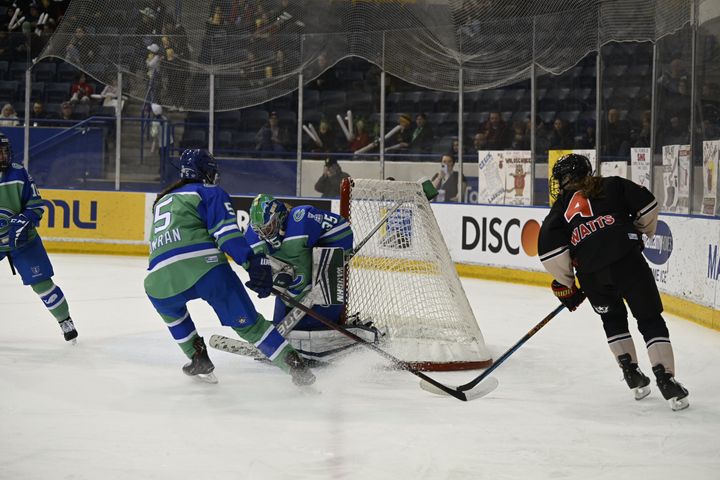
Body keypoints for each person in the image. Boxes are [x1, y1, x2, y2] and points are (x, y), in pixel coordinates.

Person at [143, 149, 315, 386]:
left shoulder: (161, 200)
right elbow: (226, 234)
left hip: (159, 280)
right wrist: (251, 261)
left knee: (172, 311)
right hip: (207, 269)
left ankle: (197, 356)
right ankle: (296, 367)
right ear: (206, 171)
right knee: (251, 326)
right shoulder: (208, 192)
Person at [538, 153, 689, 411]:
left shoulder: (560, 208)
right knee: (650, 318)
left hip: (592, 274)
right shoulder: (611, 185)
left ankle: (632, 373)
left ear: (562, 181)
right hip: (626, 261)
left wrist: (569, 283)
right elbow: (649, 206)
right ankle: (667, 380)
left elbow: (550, 252)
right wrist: (640, 231)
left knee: (612, 319)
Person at [245, 193, 380, 362]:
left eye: (269, 227)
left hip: (316, 272)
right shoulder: (252, 238)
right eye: (260, 231)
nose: (265, 234)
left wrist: (331, 260)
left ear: (279, 216)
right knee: (285, 316)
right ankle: (291, 338)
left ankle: (336, 330)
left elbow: (341, 227)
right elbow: (255, 264)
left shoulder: (302, 219)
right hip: (292, 282)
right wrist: (266, 278)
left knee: (320, 313)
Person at [0, 133, 78, 343]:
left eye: (3, 150)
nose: (2, 155)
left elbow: (36, 204)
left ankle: (65, 321)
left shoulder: (18, 173)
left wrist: (24, 219)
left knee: (42, 283)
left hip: (23, 239)